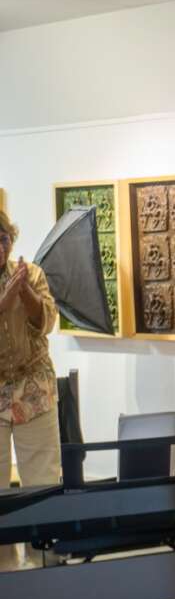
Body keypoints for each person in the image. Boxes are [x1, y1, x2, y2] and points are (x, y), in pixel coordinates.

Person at [0, 210, 61, 489]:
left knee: (43, 483)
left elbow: (46, 323)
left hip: (34, 389)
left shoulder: (31, 274)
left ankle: (42, 523)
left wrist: (26, 292)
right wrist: (4, 303)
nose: (1, 248)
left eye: (4, 239)